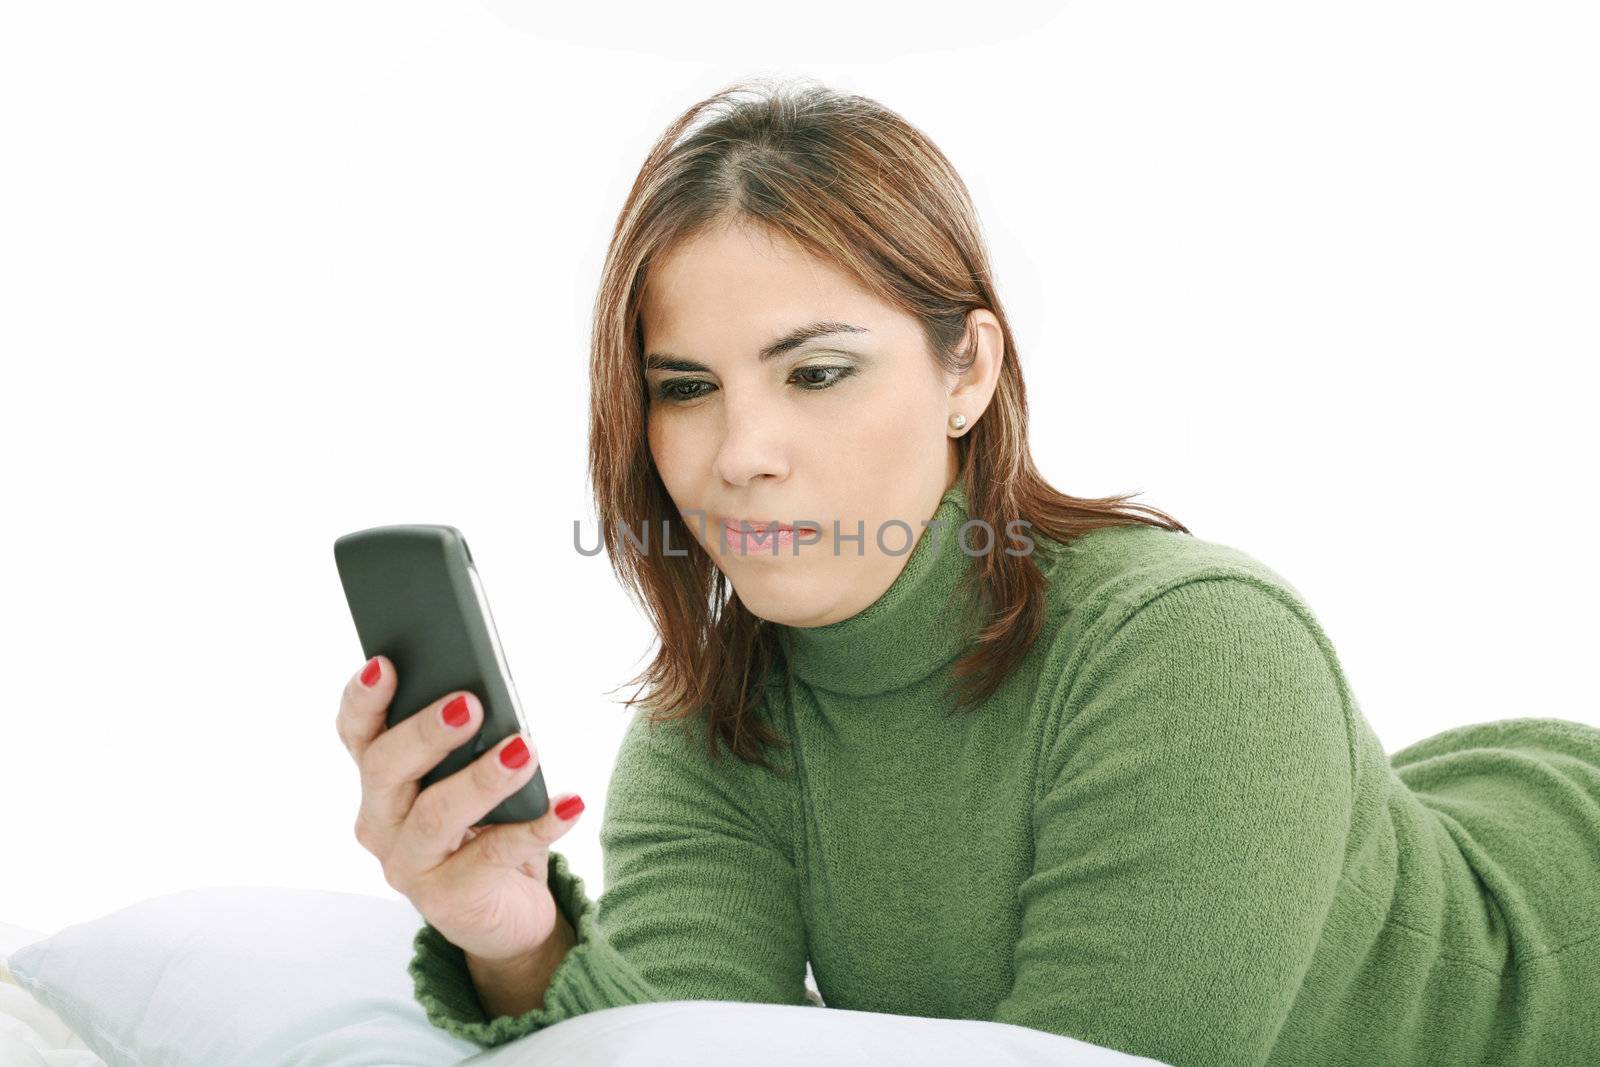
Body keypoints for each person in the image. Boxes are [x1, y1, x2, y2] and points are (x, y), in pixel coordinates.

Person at [334, 77, 1600, 1066]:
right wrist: (518, 939)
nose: (740, 456)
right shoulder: (711, 732)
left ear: (967, 371)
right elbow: (683, 1038)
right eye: (685, 389)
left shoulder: (1198, 647)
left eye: (815, 372)